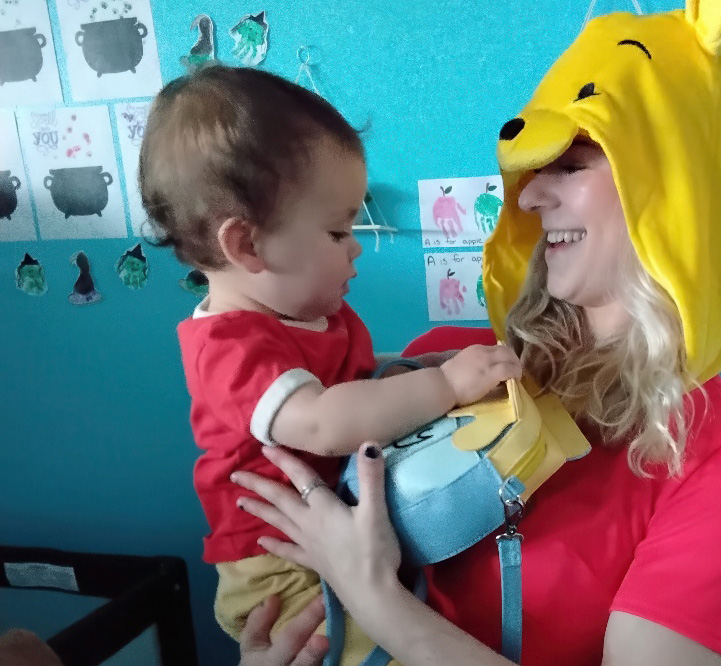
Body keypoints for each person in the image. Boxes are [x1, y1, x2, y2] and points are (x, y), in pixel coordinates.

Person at [232, 3, 721, 665]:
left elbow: (365, 581)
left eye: (570, 165)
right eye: (532, 172)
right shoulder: (438, 368)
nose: (530, 199)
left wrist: (372, 596)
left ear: (680, 183)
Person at [137, 65, 521, 655]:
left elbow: (358, 378)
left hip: (332, 530)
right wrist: (444, 383)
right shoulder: (229, 350)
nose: (356, 245)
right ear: (247, 245)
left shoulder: (304, 315)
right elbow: (326, 421)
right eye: (338, 231)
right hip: (278, 565)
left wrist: (430, 365)